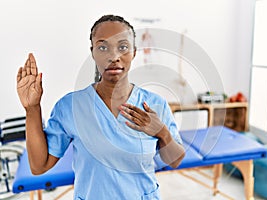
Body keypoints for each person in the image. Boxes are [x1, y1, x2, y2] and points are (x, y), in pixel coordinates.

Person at [16, 14, 185, 199]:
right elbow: (39, 166)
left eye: (123, 47)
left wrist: (161, 131)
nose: (114, 56)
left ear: (134, 52)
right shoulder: (71, 107)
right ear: (93, 52)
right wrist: (32, 109)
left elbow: (175, 160)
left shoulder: (155, 104)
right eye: (103, 47)